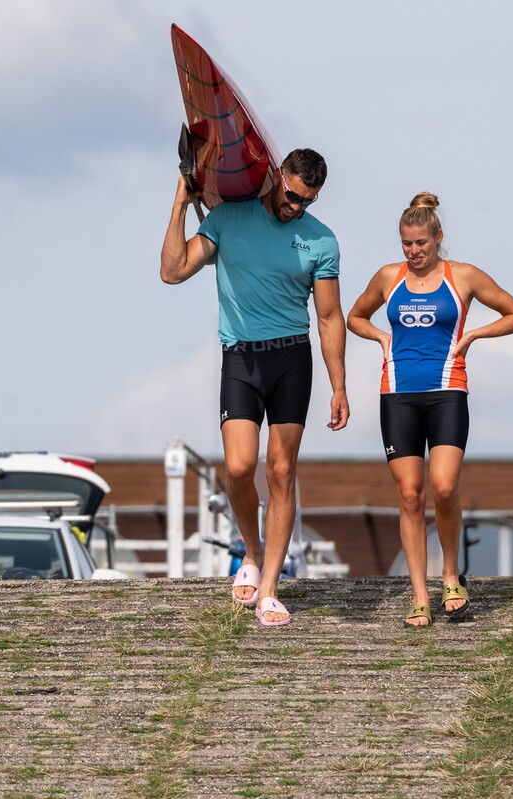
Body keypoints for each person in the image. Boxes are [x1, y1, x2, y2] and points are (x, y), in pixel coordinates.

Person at [161, 149, 348, 627]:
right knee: (241, 469)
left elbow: (328, 317)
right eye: (291, 196)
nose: (296, 208)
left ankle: (269, 587)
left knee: (281, 472)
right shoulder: (227, 220)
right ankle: (253, 550)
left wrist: (339, 385)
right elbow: (173, 271)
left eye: (307, 201)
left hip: (291, 359)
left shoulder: (320, 240)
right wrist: (182, 201)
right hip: (241, 358)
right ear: (276, 177)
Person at [346, 192, 513, 627]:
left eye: (421, 244)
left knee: (444, 487)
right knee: (410, 495)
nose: (413, 252)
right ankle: (418, 597)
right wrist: (378, 336)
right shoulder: (388, 277)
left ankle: (451, 575)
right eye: (406, 244)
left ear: (438, 238)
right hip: (397, 395)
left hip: (448, 390)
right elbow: (355, 316)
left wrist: (474, 335)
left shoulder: (462, 276)